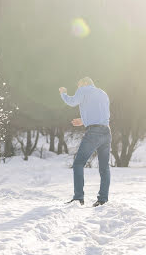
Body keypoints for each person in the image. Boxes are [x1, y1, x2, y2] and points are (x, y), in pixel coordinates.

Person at [59, 77, 111, 207]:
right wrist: (83, 120)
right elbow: (101, 113)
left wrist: (63, 93)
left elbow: (72, 102)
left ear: (85, 83)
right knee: (104, 168)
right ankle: (103, 199)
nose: (78, 88)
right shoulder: (103, 93)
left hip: (93, 133)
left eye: (78, 86)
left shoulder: (84, 90)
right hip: (106, 132)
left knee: (78, 163)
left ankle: (78, 198)